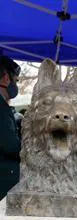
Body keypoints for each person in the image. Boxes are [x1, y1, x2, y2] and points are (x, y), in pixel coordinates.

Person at [0, 55, 21, 200]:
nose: (15, 85)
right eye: (16, 80)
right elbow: (11, 146)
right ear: (6, 78)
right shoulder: (1, 109)